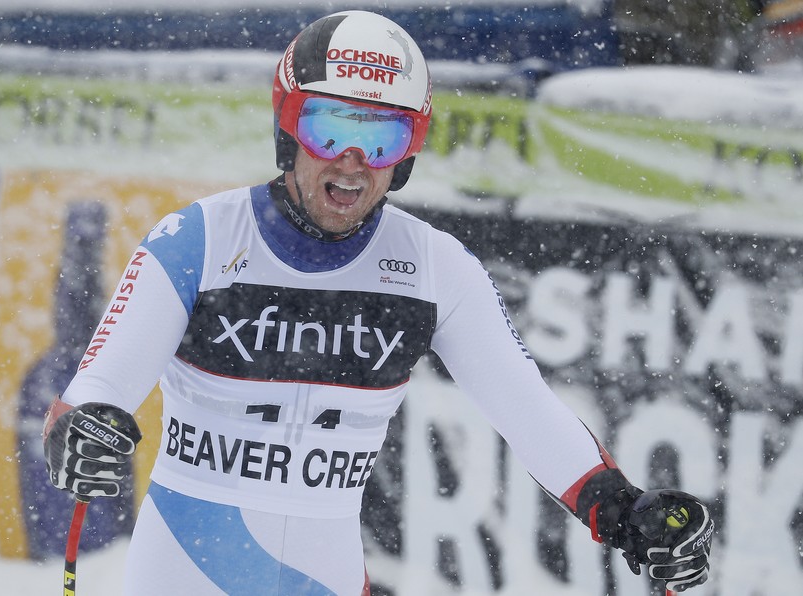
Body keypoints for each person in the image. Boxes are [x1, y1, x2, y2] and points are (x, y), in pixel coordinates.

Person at [42, 10, 714, 595]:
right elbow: (95, 390)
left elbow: (527, 410)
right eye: (329, 128)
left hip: (323, 572)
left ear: (409, 155)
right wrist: (81, 429)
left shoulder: (433, 267)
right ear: (286, 128)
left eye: (384, 137)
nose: (353, 161)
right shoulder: (199, 238)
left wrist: (621, 509)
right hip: (186, 570)